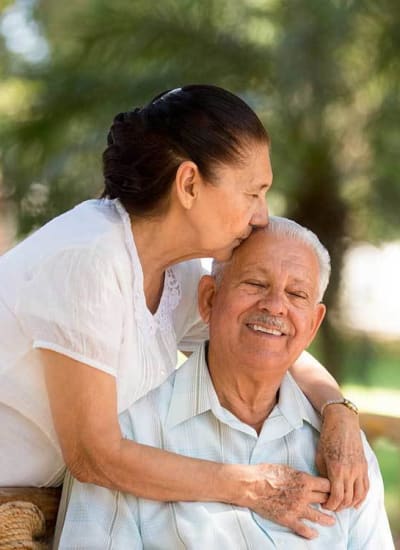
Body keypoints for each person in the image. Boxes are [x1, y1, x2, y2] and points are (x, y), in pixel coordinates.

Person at [0, 85, 366, 527]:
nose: (262, 216)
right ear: (189, 183)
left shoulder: (175, 272)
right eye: (253, 192)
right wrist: (251, 486)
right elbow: (95, 455)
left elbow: (266, 338)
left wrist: (339, 414)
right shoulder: (89, 258)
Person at [59, 218, 394, 549]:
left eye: (296, 293)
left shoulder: (345, 452)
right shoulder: (130, 434)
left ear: (313, 324)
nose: (275, 306)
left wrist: (341, 412)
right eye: (255, 284)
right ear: (209, 299)